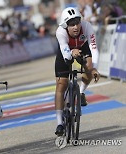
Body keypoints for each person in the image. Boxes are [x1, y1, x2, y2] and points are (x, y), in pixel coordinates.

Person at [55, 7, 100, 136]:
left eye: (77, 22)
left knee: (89, 69)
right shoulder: (60, 32)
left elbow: (93, 47)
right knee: (61, 84)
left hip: (83, 47)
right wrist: (71, 53)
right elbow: (65, 54)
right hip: (66, 52)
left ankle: (80, 92)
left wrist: (94, 68)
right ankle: (59, 123)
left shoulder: (87, 26)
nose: (76, 27)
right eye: (71, 24)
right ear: (65, 26)